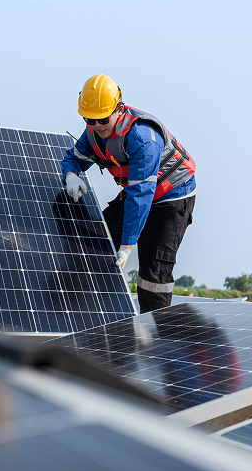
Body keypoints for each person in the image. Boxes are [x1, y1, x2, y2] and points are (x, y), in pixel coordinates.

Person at [61, 75, 197, 313]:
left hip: (170, 199)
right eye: (89, 119)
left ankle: (156, 334)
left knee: (153, 274)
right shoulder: (93, 132)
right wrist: (70, 175)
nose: (97, 125)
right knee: (94, 241)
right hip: (138, 195)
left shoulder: (143, 138)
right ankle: (87, 315)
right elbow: (74, 158)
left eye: (103, 118)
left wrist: (126, 244)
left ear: (119, 109)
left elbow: (140, 193)